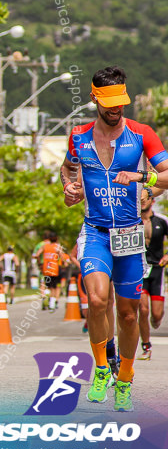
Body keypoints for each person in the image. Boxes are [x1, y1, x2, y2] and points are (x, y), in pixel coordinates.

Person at [61, 65, 168, 411]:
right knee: (96, 301)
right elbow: (67, 168)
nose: (115, 108)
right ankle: (102, 368)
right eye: (108, 102)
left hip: (130, 235)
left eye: (119, 101)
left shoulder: (142, 134)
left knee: (127, 312)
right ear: (94, 99)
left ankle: (125, 376)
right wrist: (69, 187)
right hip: (94, 232)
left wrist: (141, 177)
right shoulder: (78, 136)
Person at [138, 187, 168, 360]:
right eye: (139, 200)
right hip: (139, 270)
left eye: (144, 199)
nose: (142, 202)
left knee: (156, 316)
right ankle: (146, 345)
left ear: (152, 201)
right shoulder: (132, 221)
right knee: (142, 309)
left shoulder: (162, 221)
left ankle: (154, 322)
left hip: (157, 270)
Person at [36, 232, 67, 312]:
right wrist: (64, 263)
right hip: (55, 269)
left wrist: (40, 263)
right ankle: (52, 304)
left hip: (46, 269)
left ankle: (46, 299)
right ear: (56, 239)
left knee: (48, 286)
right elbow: (62, 257)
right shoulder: (57, 247)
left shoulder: (44, 246)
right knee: (54, 287)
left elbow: (37, 255)